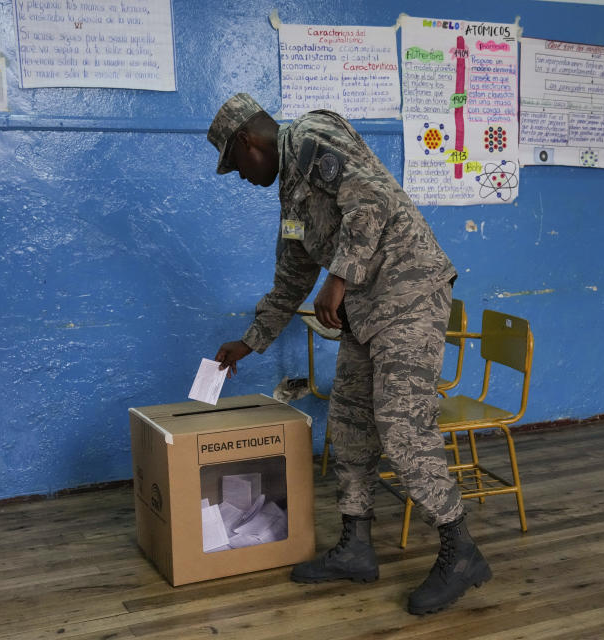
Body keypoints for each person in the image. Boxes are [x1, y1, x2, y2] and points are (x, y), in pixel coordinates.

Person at [206, 93, 491, 614]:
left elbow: (373, 201)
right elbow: (292, 276)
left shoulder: (312, 136)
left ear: (249, 142)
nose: (242, 179)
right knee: (351, 422)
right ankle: (357, 545)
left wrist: (337, 279)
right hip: (365, 309)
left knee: (402, 424)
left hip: (408, 294)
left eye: (236, 167)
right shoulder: (292, 196)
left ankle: (461, 549)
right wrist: (250, 341)